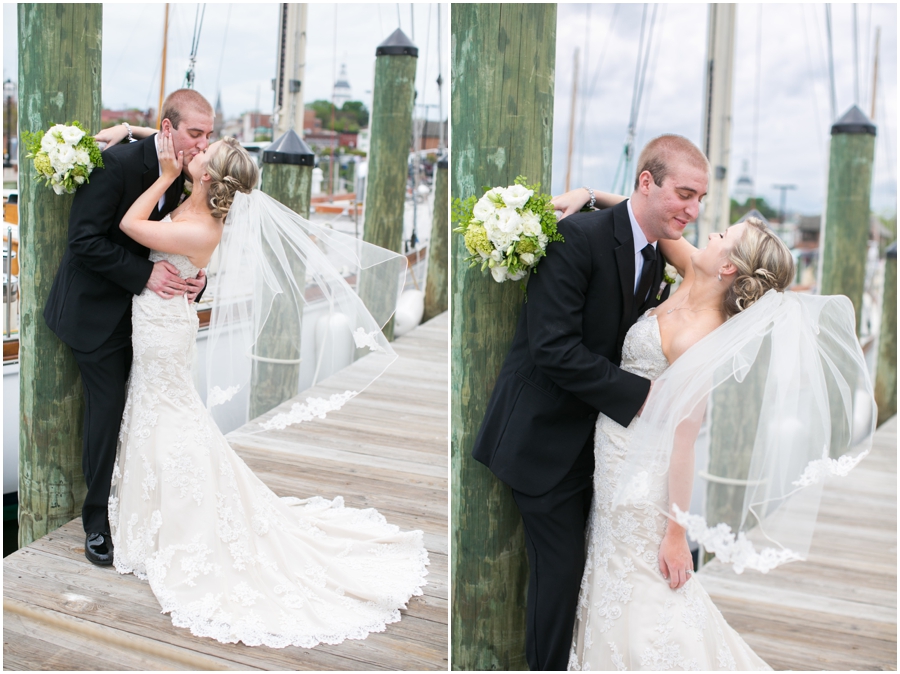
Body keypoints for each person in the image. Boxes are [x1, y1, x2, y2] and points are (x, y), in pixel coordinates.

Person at [104, 131, 428, 647]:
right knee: (160, 414)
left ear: (207, 176)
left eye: (201, 156)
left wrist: (165, 175)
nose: (193, 154)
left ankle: (180, 519)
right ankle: (157, 516)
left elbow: (128, 225)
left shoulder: (201, 227)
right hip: (161, 321)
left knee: (170, 418)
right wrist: (132, 134)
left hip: (164, 331)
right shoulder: (198, 212)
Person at [555, 186, 873, 670]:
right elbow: (647, 219)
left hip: (644, 480)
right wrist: (590, 195)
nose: (710, 231)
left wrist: (676, 534)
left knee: (643, 590)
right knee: (611, 574)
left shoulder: (702, 335)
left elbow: (685, 444)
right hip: (614, 453)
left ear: (728, 268)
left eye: (723, 234)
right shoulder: (690, 271)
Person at [471, 134, 709, 671]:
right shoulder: (576, 239)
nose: (694, 211)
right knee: (561, 573)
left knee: (598, 573)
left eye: (701, 201)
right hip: (541, 440)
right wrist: (649, 396)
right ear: (647, 183)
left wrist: (592, 191)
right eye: (685, 194)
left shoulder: (656, 257)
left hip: (600, 451)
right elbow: (553, 348)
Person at [44, 89, 212, 566]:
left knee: (154, 408)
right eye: (194, 134)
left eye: (208, 135)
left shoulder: (185, 172)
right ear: (168, 130)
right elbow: (84, 241)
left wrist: (195, 275)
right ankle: (96, 521)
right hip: (94, 313)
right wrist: (144, 275)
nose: (202, 145)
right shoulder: (115, 166)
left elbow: (178, 236)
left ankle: (145, 507)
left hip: (149, 317)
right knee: (110, 408)